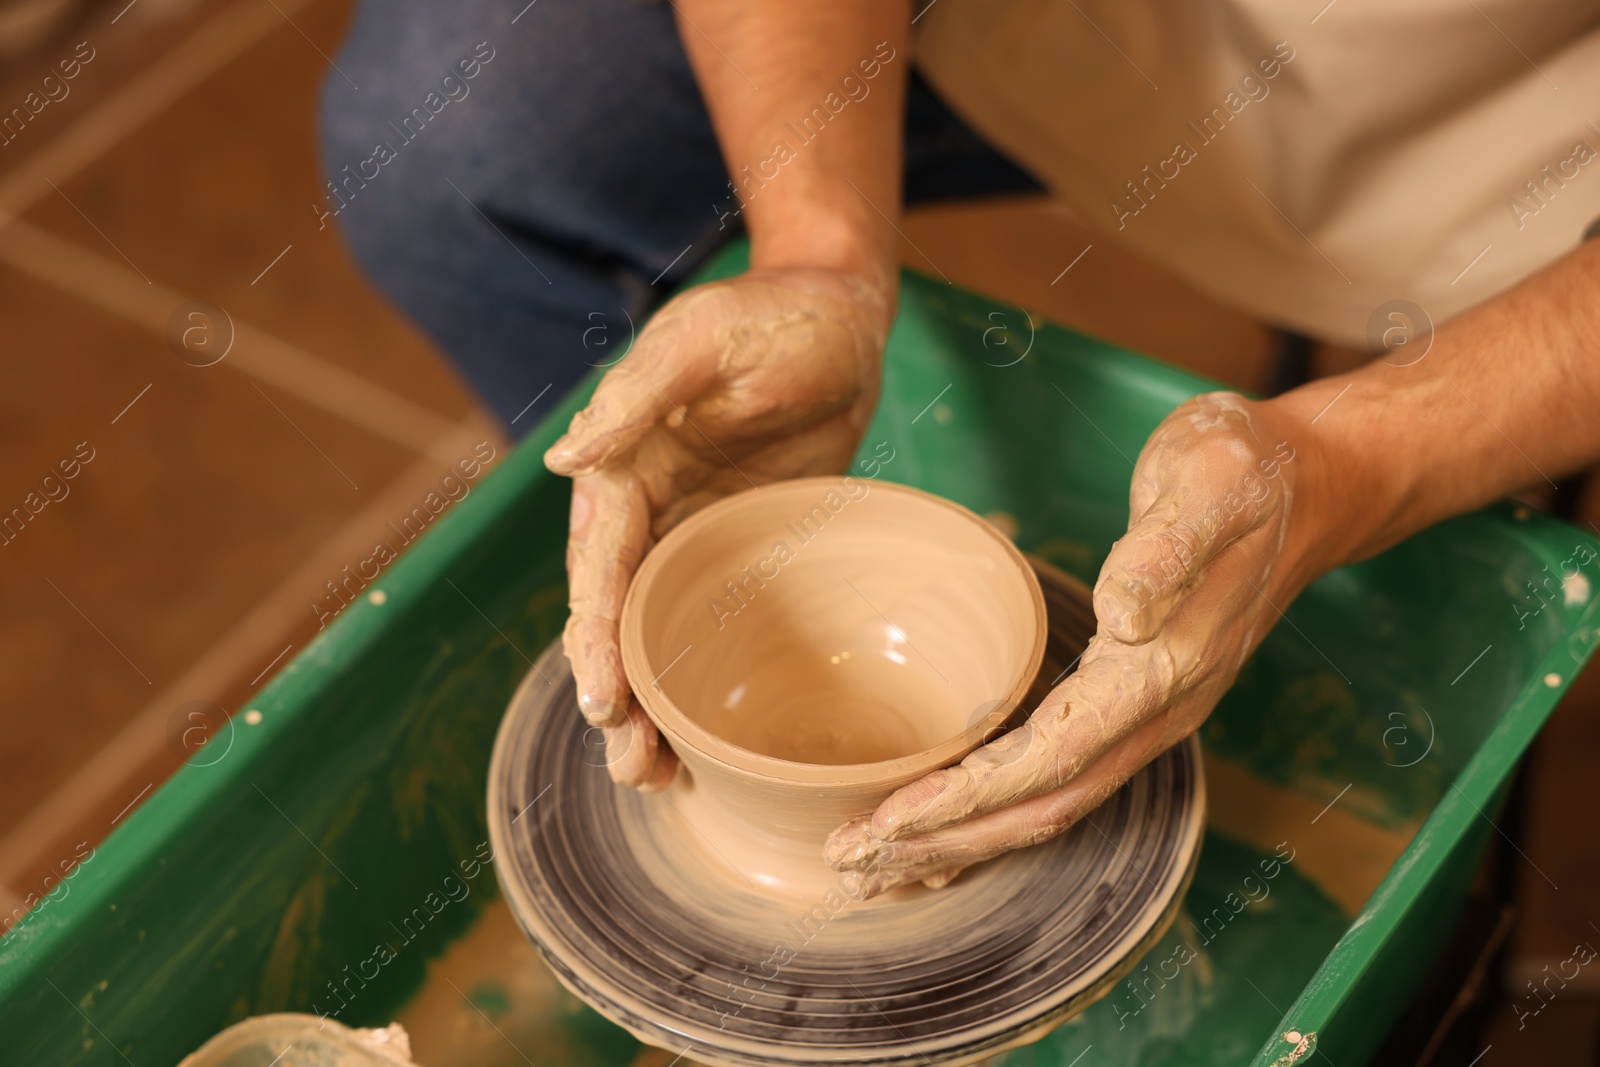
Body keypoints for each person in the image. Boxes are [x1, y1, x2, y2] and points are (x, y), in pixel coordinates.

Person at [320, 1, 1600, 897]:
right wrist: (818, 251)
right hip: (1056, 31)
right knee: (454, 144)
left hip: (1497, 137)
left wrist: (1356, 458)